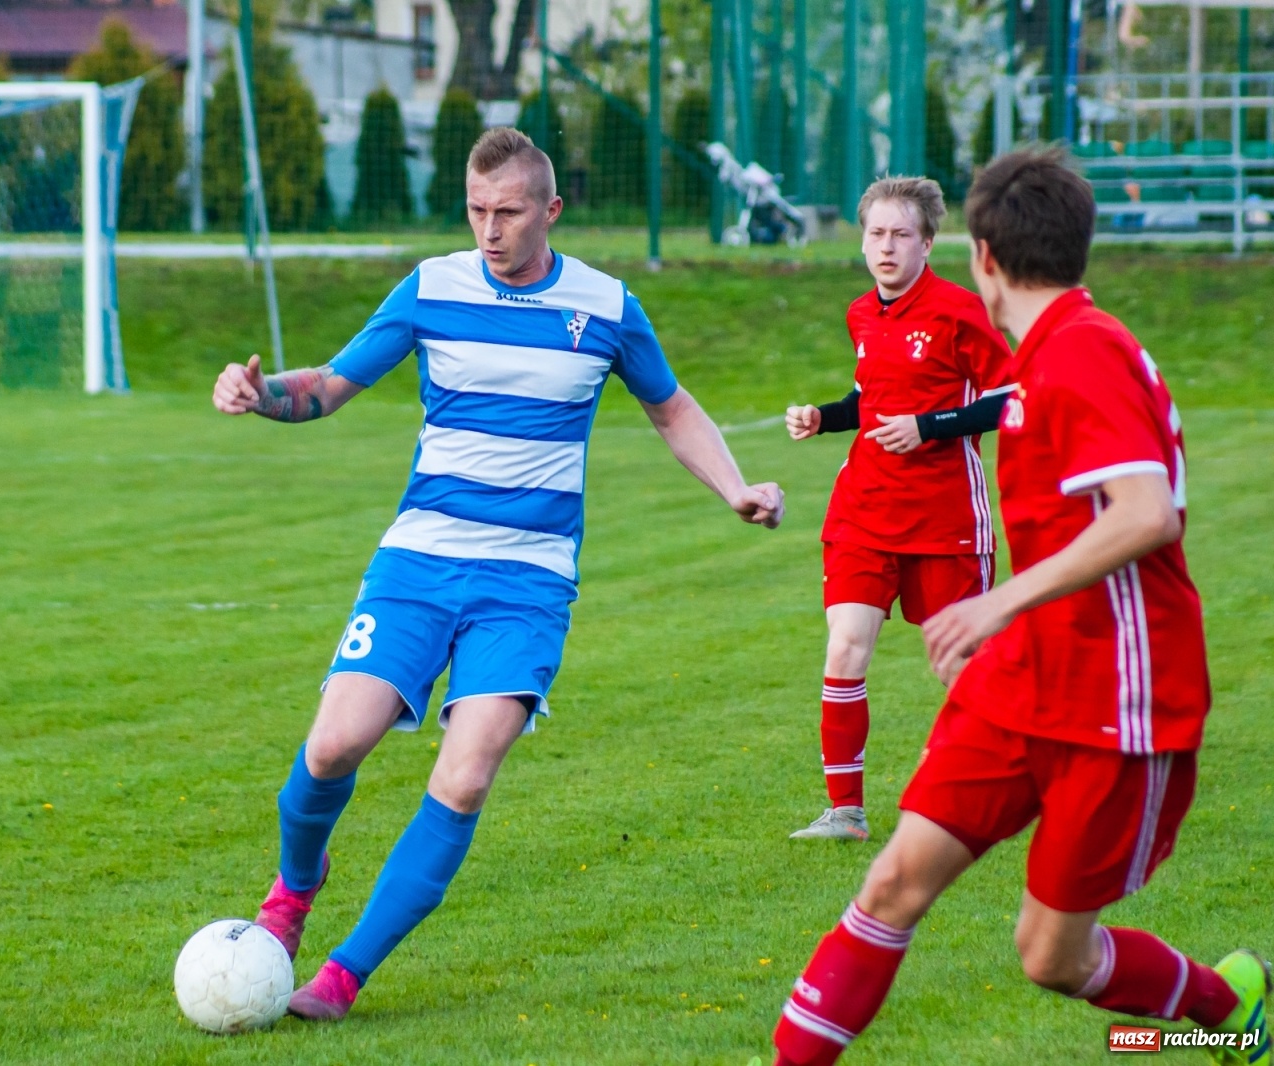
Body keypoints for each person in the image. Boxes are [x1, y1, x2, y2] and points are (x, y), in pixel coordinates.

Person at [213, 127, 784, 1021]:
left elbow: (672, 411)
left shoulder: (604, 306)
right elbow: (326, 386)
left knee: (467, 774)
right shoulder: (431, 286)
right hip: (419, 559)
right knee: (331, 747)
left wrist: (735, 489)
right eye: (477, 211)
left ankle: (345, 974)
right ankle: (291, 894)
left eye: (508, 212)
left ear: (550, 211)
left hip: (527, 582)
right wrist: (261, 396)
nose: (490, 230)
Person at [771, 149, 1269, 1066]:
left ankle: (1225, 1004)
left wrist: (1000, 600)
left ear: (982, 259)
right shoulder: (1041, 355)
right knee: (890, 886)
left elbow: (1147, 512)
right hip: (1022, 679)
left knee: (1050, 955)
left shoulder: (1081, 354)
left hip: (1117, 698)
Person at [783, 177, 1014, 842]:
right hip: (863, 510)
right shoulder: (862, 314)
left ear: (928, 243)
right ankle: (845, 812)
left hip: (945, 519)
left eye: (901, 235)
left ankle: (1003, 784)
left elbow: (1012, 397)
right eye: (876, 234)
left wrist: (931, 426)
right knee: (846, 647)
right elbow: (870, 398)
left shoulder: (960, 311)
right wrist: (822, 417)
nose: (887, 247)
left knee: (960, 665)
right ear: (861, 242)